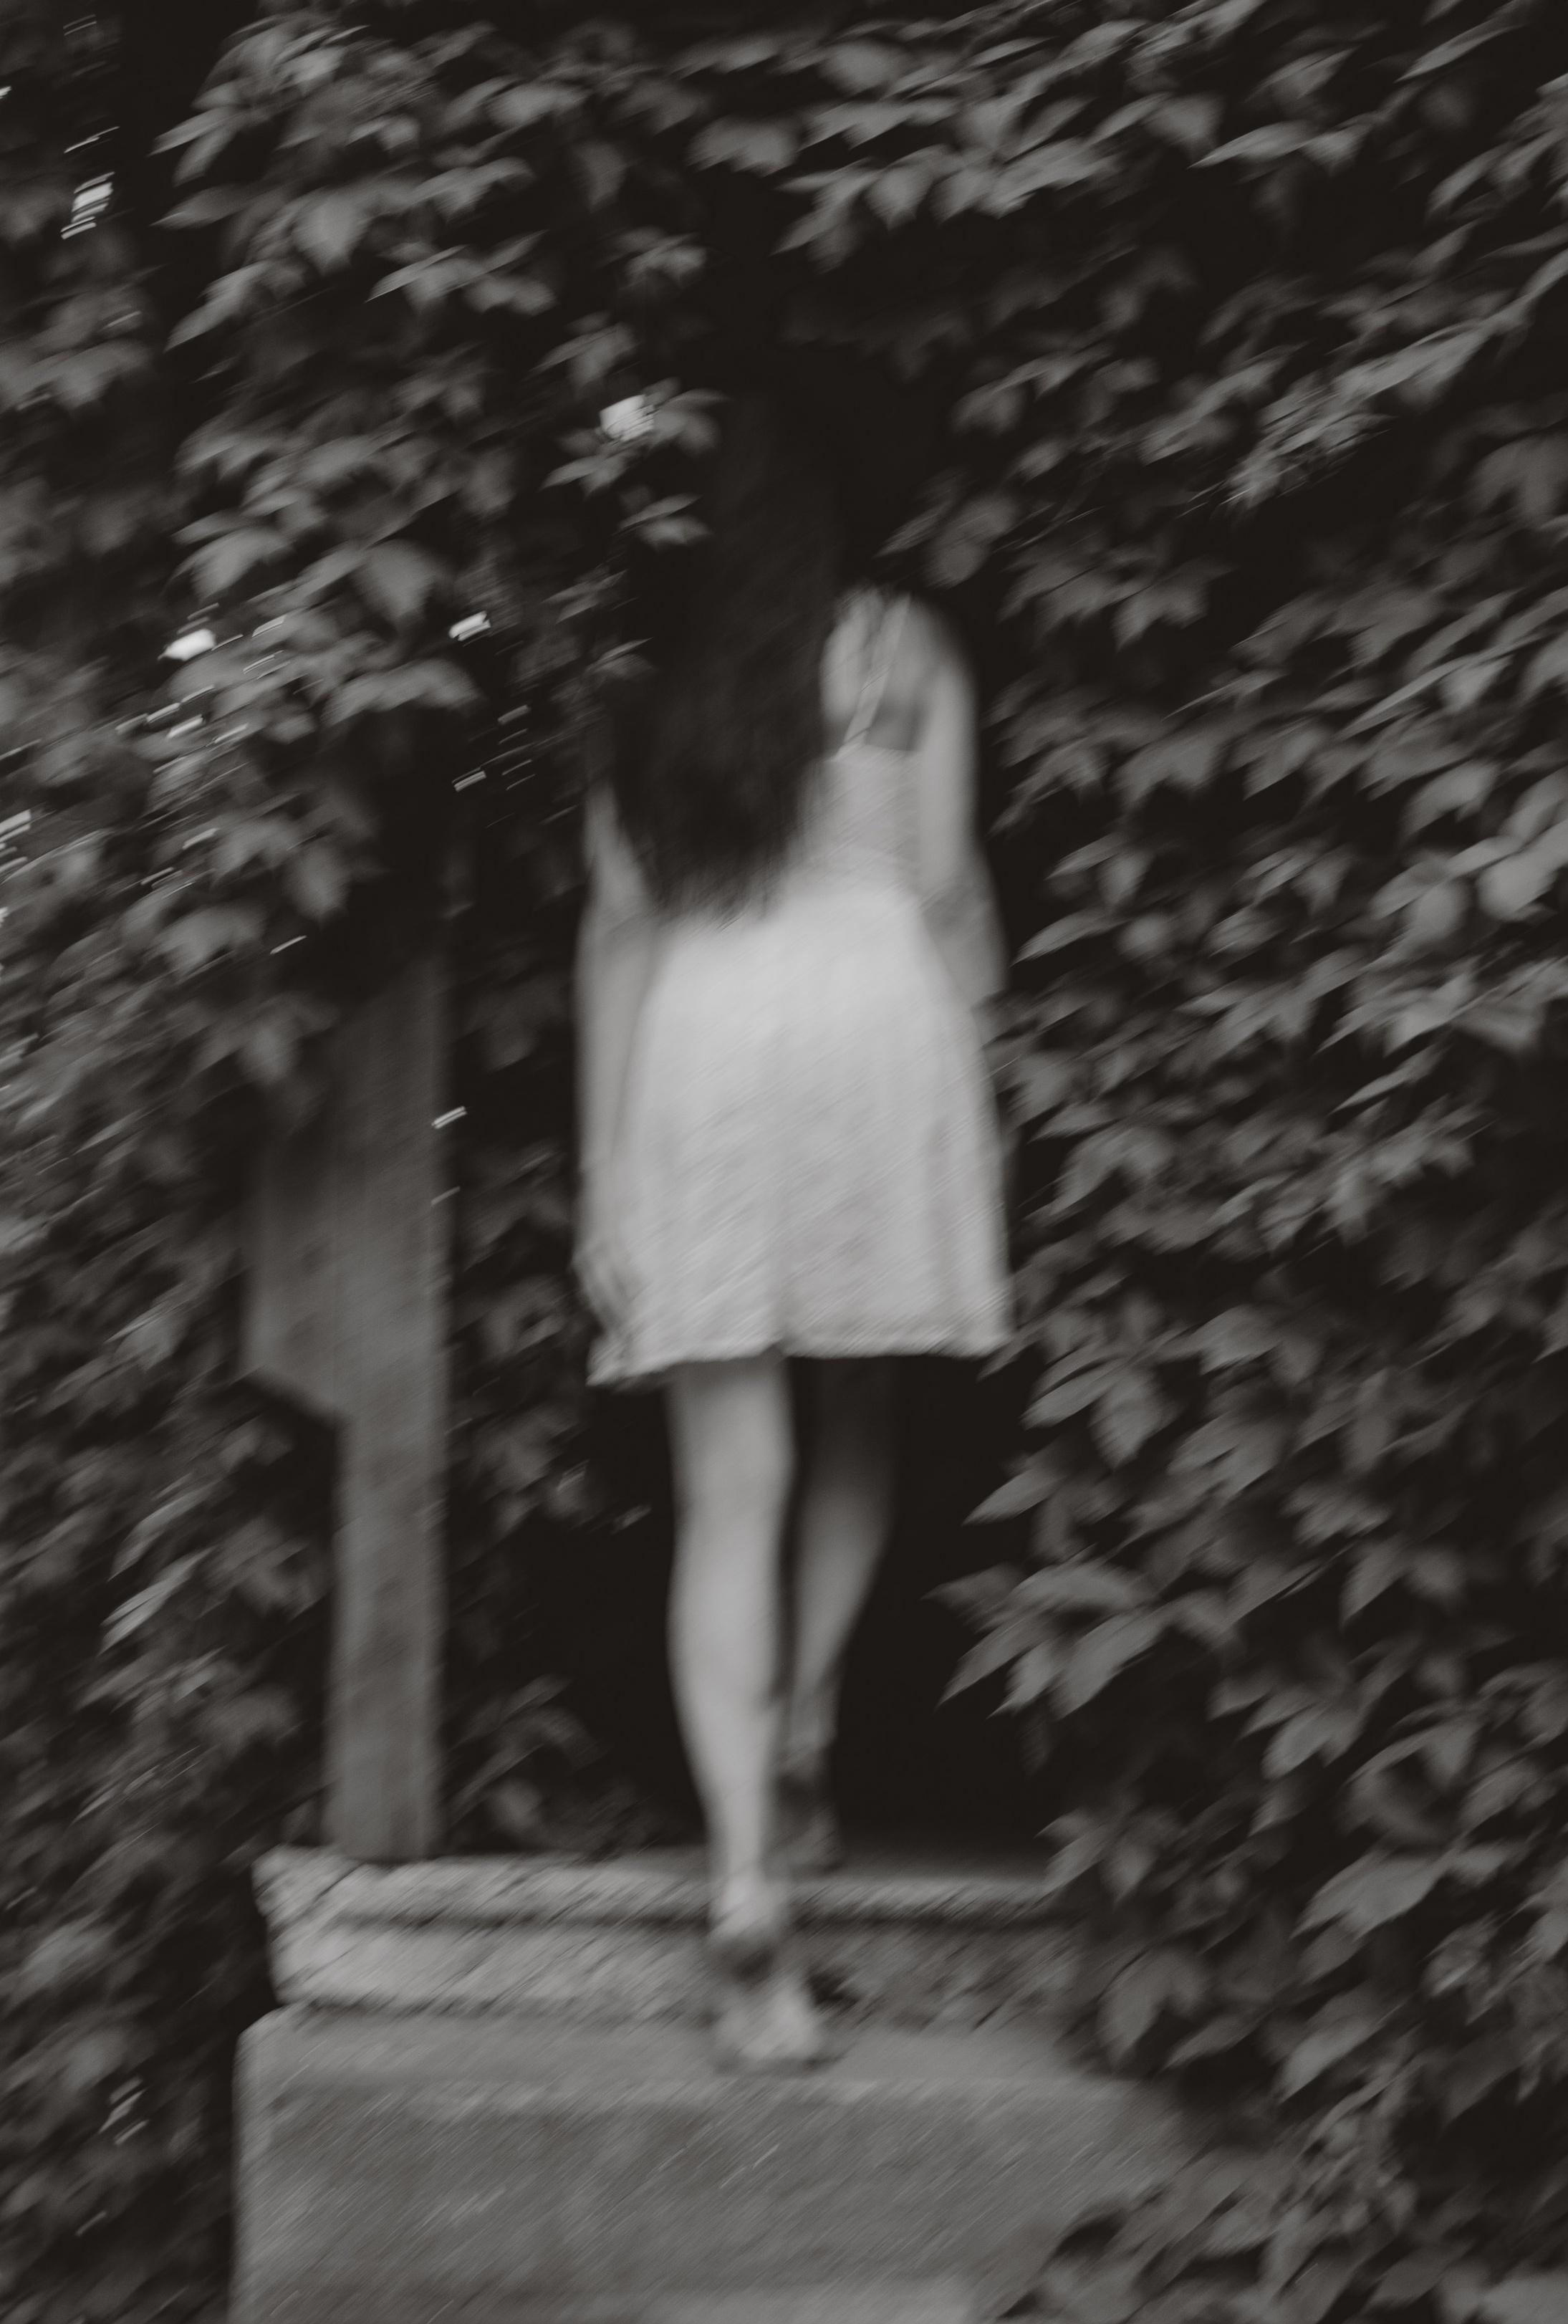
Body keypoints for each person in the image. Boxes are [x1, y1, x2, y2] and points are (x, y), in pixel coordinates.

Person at [574, 389, 1011, 2070]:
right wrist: (975, 1096)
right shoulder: (903, 648)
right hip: (871, 1023)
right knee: (862, 1412)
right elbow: (946, 886)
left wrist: (609, 1173)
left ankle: (748, 1885)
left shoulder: (635, 690)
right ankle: (814, 1711)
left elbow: (617, 933)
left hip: (701, 1043)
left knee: (722, 1492)